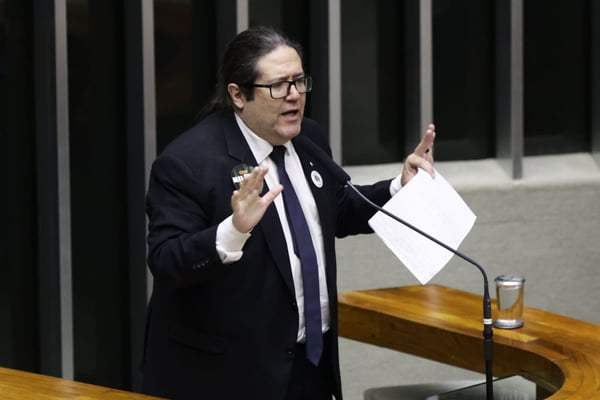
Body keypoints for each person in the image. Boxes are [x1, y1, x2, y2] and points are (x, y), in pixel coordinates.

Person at [141, 26, 436, 400]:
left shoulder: (308, 138)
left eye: (299, 82)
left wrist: (398, 187)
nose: (294, 96)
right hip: (227, 377)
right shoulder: (187, 163)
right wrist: (233, 231)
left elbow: (335, 209)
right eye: (278, 85)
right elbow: (166, 261)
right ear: (238, 94)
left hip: (309, 364)